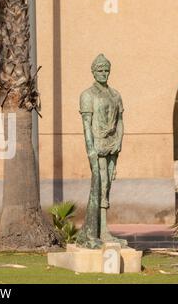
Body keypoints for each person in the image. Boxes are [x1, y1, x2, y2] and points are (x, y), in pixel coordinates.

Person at [76, 54, 127, 249]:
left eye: (106, 70)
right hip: (97, 145)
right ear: (93, 71)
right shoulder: (87, 95)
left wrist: (119, 142)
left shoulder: (115, 95)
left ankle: (103, 230)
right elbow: (86, 126)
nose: (103, 73)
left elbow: (120, 121)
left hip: (113, 144)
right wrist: (90, 149)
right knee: (100, 184)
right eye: (100, 70)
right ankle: (95, 232)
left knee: (107, 187)